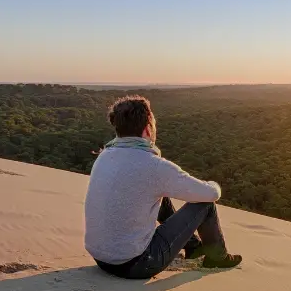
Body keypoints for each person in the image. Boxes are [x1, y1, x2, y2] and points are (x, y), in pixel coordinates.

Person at [84, 95, 242, 279]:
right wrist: (213, 183)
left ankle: (193, 247)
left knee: (157, 195)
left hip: (101, 258)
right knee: (205, 205)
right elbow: (211, 194)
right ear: (148, 129)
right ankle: (218, 257)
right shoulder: (154, 166)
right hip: (136, 264)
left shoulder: (104, 155)